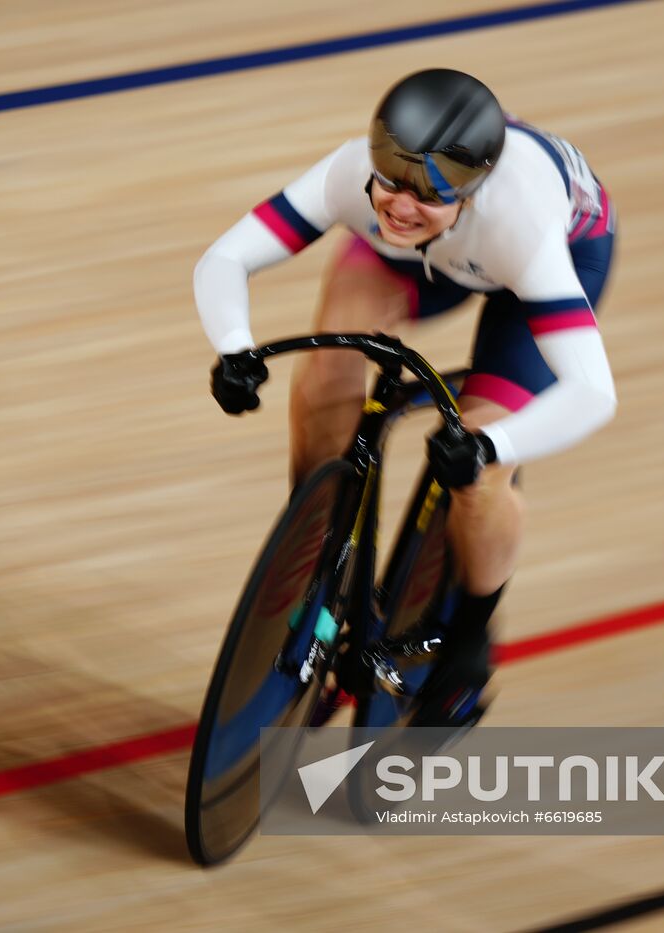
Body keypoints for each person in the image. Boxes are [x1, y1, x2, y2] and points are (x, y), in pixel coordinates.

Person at [193, 69, 618, 723]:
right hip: (420, 257)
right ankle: (321, 556)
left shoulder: (521, 227)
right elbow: (226, 258)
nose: (399, 201)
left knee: (479, 475)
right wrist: (234, 345)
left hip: (536, 261)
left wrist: (489, 444)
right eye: (391, 175)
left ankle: (471, 639)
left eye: (427, 191)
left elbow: (593, 391)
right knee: (328, 370)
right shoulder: (354, 175)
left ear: (471, 194)